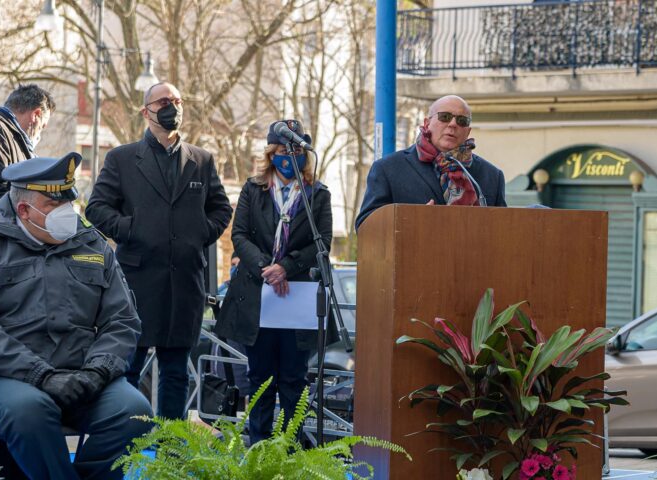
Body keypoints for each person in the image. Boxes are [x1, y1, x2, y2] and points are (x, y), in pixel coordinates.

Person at [0, 153, 152, 479]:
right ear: (24, 210)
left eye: (69, 201)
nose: (67, 212)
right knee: (30, 410)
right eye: (54, 205)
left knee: (134, 411)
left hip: (82, 374)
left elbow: (122, 321)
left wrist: (97, 372)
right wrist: (41, 376)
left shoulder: (92, 244)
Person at [86, 82, 233, 420]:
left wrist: (199, 234)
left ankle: (171, 445)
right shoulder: (122, 158)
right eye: (164, 101)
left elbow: (221, 209)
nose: (172, 106)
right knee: (128, 368)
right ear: (146, 110)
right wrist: (133, 230)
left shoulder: (201, 159)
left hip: (185, 282)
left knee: (176, 371)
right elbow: (96, 209)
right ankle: (123, 436)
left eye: (178, 100)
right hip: (138, 280)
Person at [214, 119, 333, 444]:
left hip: (297, 299)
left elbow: (322, 241)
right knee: (261, 379)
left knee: (294, 379)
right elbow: (239, 235)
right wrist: (267, 267)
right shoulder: (254, 189)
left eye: (295, 150)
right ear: (271, 154)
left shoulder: (317, 194)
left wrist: (287, 267)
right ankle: (260, 447)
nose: (289, 156)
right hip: (258, 297)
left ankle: (290, 451)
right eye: (282, 151)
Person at [355, 95, 506, 229]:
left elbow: (503, 229)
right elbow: (365, 226)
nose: (453, 124)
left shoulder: (492, 176)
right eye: (444, 117)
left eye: (462, 121)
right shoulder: (388, 169)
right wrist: (412, 221)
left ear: (468, 132)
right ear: (427, 123)